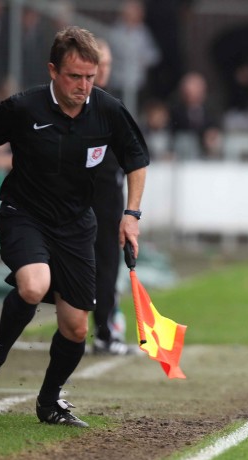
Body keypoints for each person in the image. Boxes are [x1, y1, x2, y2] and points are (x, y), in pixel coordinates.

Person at [0, 26, 149, 426]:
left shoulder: (107, 109)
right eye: (75, 76)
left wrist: (132, 214)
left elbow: (137, 161)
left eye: (90, 77)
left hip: (77, 226)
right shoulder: (24, 108)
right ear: (53, 70)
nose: (84, 86)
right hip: (24, 214)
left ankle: (49, 402)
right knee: (34, 285)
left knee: (75, 328)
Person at [90, 37, 139, 355]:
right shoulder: (76, 103)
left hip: (109, 197)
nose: (104, 70)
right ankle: (95, 328)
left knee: (107, 263)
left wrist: (131, 211)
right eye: (99, 63)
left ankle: (105, 329)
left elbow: (134, 156)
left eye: (107, 64)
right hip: (77, 197)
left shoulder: (113, 105)